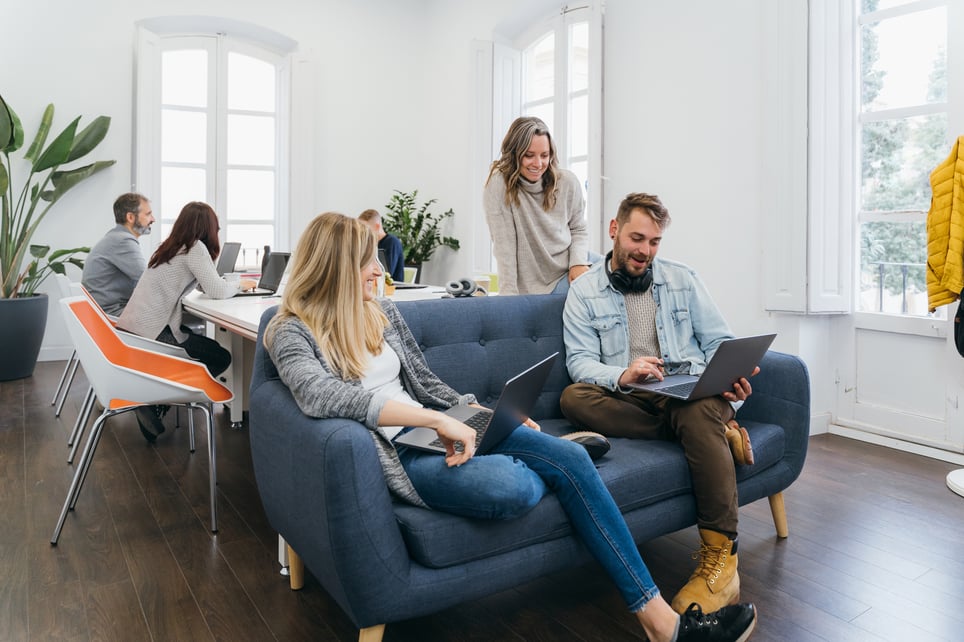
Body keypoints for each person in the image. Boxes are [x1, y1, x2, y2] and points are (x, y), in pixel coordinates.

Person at [263, 212, 757, 642]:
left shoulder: (378, 311)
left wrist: (478, 413)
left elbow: (426, 381)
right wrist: (435, 420)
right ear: (335, 268)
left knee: (574, 460)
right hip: (405, 451)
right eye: (368, 261)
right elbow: (323, 395)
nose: (379, 269)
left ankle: (660, 624)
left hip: (446, 426)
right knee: (514, 485)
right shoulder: (289, 329)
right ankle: (537, 455)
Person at [560, 192, 758, 615]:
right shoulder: (584, 291)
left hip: (693, 392)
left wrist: (729, 377)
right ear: (614, 230)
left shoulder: (683, 279)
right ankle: (715, 436)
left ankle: (723, 563)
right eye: (637, 238)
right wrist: (623, 374)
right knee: (573, 398)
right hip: (635, 397)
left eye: (654, 242)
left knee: (696, 410)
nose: (645, 251)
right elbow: (578, 364)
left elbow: (720, 340)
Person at [118, 201, 256, 442]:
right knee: (220, 357)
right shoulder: (195, 248)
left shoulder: (170, 248)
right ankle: (161, 397)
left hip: (133, 332)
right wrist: (238, 285)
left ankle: (157, 400)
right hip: (155, 334)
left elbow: (205, 284)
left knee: (203, 345)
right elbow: (216, 290)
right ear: (208, 228)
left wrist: (218, 280)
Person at [483, 116, 593, 295]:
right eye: (529, 155)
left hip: (571, 268)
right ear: (514, 154)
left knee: (626, 272)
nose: (538, 164)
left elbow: (579, 229)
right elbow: (505, 249)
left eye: (544, 155)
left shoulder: (568, 182)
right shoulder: (499, 185)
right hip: (539, 286)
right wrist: (508, 302)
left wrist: (578, 263)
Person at [82, 192, 155, 315]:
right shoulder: (123, 241)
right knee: (184, 331)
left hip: (104, 313)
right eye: (148, 214)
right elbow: (148, 280)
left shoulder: (115, 237)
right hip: (113, 316)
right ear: (130, 217)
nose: (153, 219)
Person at [359, 208, 405, 282]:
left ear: (377, 227)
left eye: (366, 228)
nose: (362, 232)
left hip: (392, 289)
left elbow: (386, 273)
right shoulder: (369, 243)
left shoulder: (392, 242)